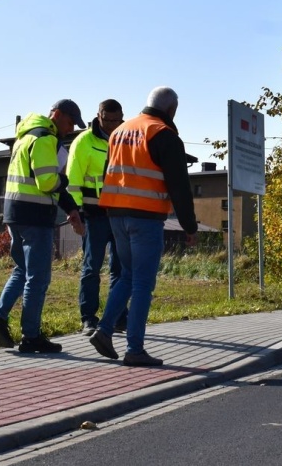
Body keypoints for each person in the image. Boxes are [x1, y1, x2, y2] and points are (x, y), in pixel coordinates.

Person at [90, 86, 197, 367]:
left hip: (116, 214)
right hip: (145, 217)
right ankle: (134, 349)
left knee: (126, 275)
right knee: (141, 283)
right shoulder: (164, 134)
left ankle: (103, 330)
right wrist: (189, 225)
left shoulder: (120, 131)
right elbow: (179, 186)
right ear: (172, 110)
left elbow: (107, 173)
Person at [0, 100, 86, 353]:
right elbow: (47, 182)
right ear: (57, 114)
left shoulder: (25, 137)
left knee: (22, 271)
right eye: (70, 122)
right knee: (37, 279)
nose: (70, 129)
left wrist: (71, 208)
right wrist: (64, 178)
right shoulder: (45, 139)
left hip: (15, 214)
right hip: (35, 217)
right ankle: (30, 336)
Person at [67, 99, 127, 336]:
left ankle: (118, 317)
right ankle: (88, 318)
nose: (113, 125)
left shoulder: (125, 137)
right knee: (92, 268)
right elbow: (73, 179)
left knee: (121, 270)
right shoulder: (84, 141)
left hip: (120, 214)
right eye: (108, 120)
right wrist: (77, 214)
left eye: (117, 120)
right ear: (98, 116)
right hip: (93, 215)